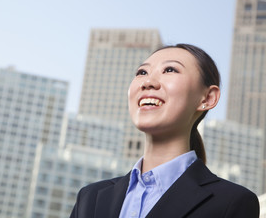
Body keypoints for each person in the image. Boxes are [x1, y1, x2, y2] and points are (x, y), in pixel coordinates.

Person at [69, 44, 260, 218]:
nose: (148, 82)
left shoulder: (232, 202)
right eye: (142, 72)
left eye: (170, 70)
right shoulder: (90, 198)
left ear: (208, 98)